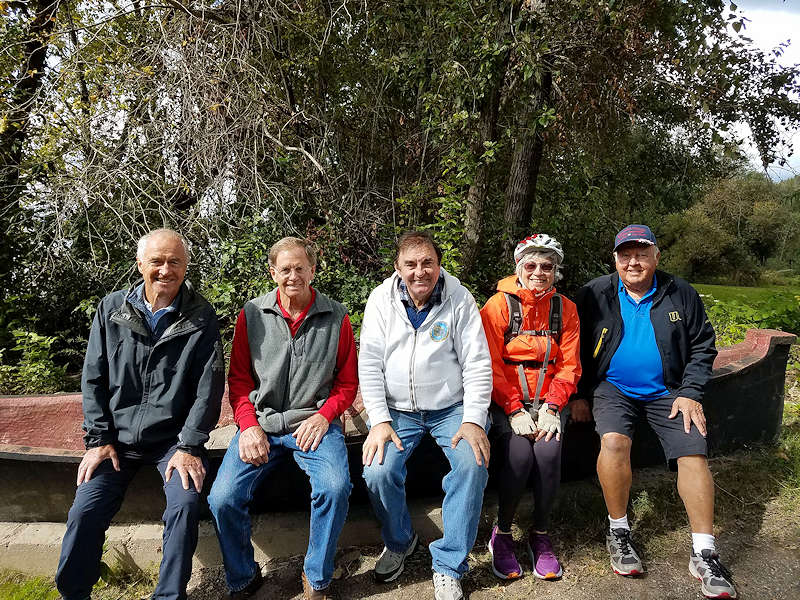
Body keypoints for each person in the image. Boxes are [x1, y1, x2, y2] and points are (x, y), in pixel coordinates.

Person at [55, 229, 225, 600]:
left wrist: (190, 445)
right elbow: (94, 376)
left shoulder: (200, 315)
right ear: (140, 265)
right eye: (157, 261)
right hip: (116, 440)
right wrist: (98, 440)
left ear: (186, 266)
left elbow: (208, 389)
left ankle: (168, 596)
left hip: (173, 442)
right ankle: (73, 593)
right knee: (85, 508)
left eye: (175, 262)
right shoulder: (112, 309)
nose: (166, 270)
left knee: (184, 503)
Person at [574, 224, 737, 599]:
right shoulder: (594, 294)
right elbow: (574, 347)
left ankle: (704, 552)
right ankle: (619, 531)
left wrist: (691, 392)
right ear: (615, 259)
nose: (633, 261)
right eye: (625, 254)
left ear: (656, 256)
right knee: (613, 442)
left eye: (641, 253)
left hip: (670, 391)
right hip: (612, 388)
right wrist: (578, 395)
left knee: (694, 453)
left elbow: (702, 346)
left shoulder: (680, 292)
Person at [207, 237, 357, 600]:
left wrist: (325, 417)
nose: (293, 276)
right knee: (222, 498)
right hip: (262, 424)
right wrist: (248, 425)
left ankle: (316, 576)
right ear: (273, 273)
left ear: (313, 270)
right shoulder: (252, 315)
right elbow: (239, 379)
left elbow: (347, 383)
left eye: (300, 268)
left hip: (314, 424)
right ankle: (243, 578)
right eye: (285, 269)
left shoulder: (337, 316)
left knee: (335, 487)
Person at [359, 230, 493, 600]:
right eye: (411, 264)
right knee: (378, 469)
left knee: (472, 463)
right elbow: (369, 364)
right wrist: (380, 419)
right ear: (398, 267)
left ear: (439, 263)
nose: (420, 272)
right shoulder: (380, 300)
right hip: (397, 410)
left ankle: (449, 564)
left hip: (451, 408)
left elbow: (477, 363)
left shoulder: (459, 298)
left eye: (428, 263)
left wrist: (473, 418)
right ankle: (401, 541)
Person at [479, 234, 581, 581]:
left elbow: (569, 365)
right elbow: (487, 363)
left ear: (557, 271)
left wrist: (553, 408)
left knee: (549, 454)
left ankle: (540, 533)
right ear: (518, 268)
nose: (539, 272)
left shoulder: (565, 309)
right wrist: (512, 408)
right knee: (520, 456)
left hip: (549, 399)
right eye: (531, 265)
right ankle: (503, 533)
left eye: (547, 266)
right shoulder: (499, 306)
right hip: (509, 401)